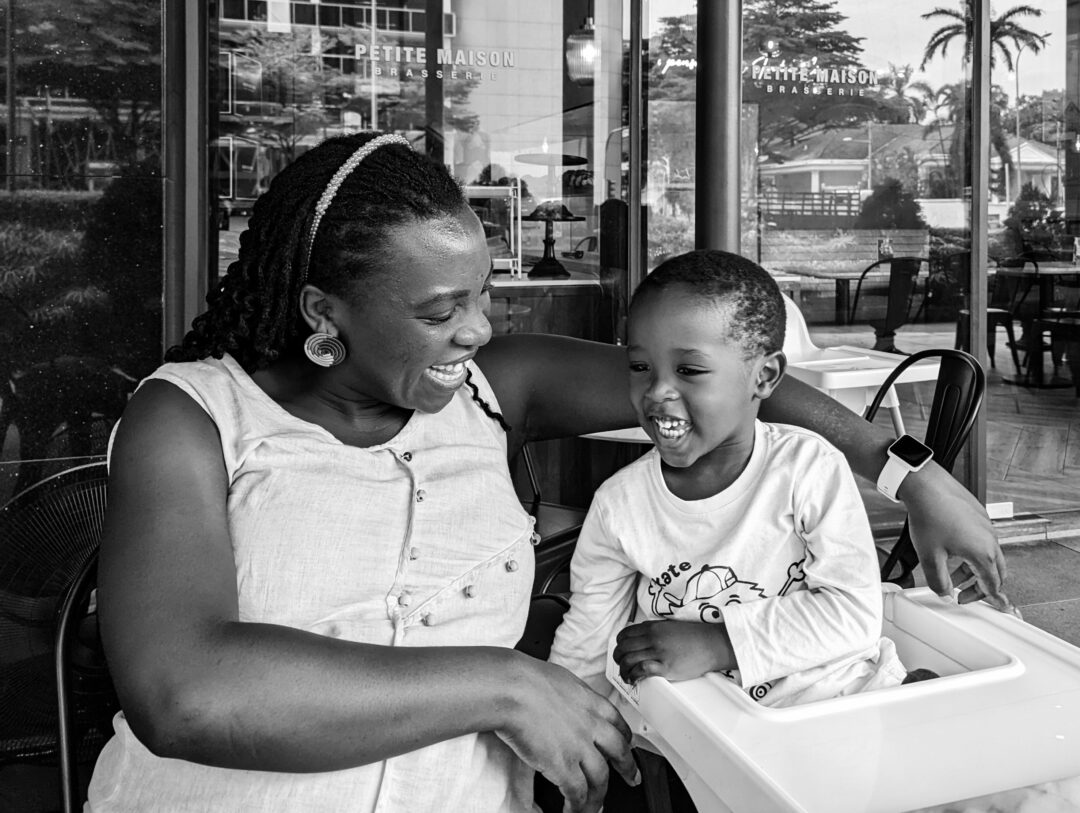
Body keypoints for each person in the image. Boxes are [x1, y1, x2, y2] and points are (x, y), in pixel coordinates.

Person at [92, 131, 1011, 813]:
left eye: (485, 295)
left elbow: (728, 384)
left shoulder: (496, 387)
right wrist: (508, 683)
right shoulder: (192, 417)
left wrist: (914, 475)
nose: (477, 329)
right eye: (440, 311)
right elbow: (184, 690)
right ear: (322, 310)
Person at [549, 251, 935, 707]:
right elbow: (587, 640)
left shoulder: (807, 468)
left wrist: (720, 643)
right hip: (709, 731)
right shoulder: (619, 503)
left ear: (764, 376)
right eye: (639, 367)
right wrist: (560, 717)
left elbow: (854, 615)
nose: (657, 391)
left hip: (844, 706)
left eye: (689, 370)